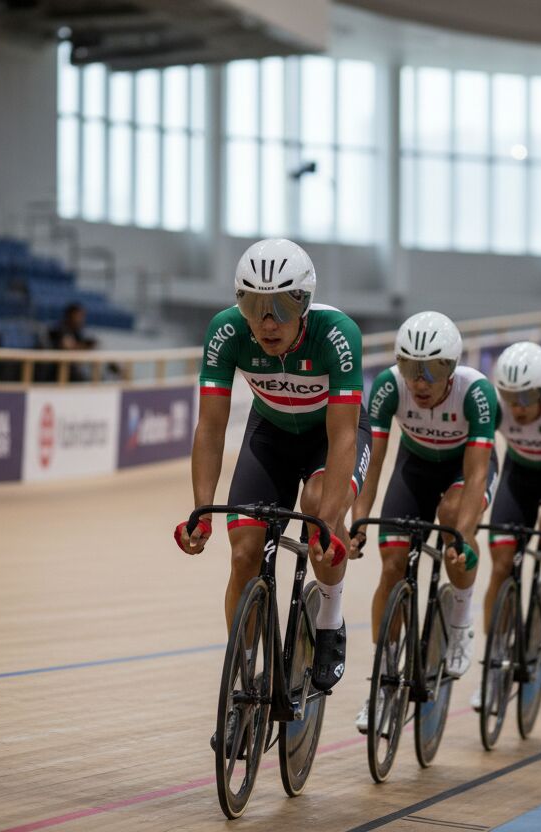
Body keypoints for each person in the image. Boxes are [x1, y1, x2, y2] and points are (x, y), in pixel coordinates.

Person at [175, 239, 369, 734]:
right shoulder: (226, 331)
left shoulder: (337, 334)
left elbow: (344, 437)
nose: (267, 321)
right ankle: (242, 682)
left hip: (331, 437)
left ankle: (330, 620)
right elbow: (211, 427)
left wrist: (328, 524)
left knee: (318, 508)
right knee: (243, 552)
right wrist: (202, 511)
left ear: (304, 303)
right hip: (270, 435)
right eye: (254, 305)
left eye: (281, 305)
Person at [351, 311, 496, 733]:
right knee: (392, 566)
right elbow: (373, 461)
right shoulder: (388, 387)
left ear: (452, 368)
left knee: (453, 520)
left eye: (432, 370)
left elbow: (478, 473)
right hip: (413, 469)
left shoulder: (476, 392)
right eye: (410, 368)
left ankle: (461, 621)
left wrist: (463, 536)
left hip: (463, 472)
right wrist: (358, 519)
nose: (420, 381)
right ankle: (382, 680)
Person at [469, 342, 541, 711]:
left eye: (526, 398)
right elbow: (479, 461)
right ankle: (493, 662)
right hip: (517, 477)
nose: (517, 407)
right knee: (500, 566)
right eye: (509, 396)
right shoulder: (496, 406)